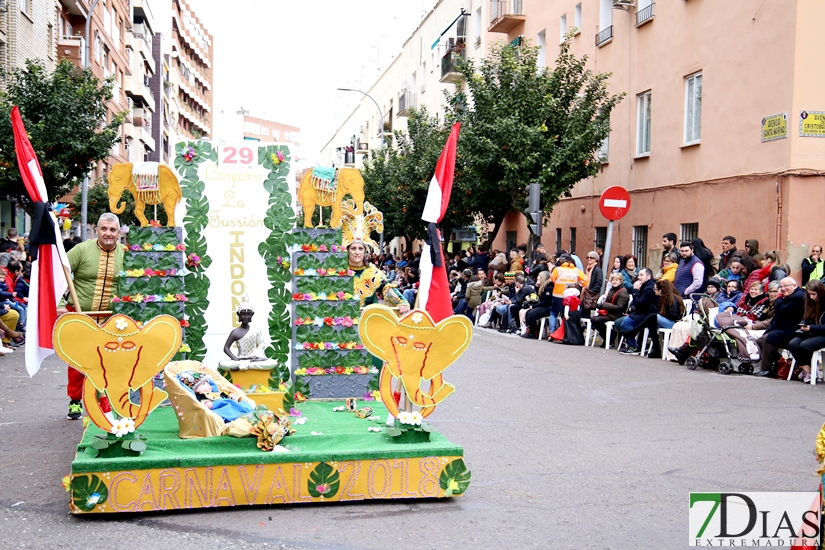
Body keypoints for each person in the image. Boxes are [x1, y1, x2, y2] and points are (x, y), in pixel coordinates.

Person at [65, 213, 125, 420]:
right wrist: (58, 305)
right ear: (97, 230)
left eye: (112, 230)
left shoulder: (126, 254)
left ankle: (105, 401)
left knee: (109, 362)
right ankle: (74, 401)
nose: (108, 233)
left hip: (112, 318)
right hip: (82, 317)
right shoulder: (81, 250)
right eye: (104, 229)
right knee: (78, 361)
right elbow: (59, 273)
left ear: (119, 233)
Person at [753, 277, 806, 377]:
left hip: (792, 330)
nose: (783, 289)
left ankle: (766, 369)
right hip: (782, 328)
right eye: (781, 287)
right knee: (760, 340)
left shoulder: (798, 297)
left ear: (794, 285)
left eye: (786, 286)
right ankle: (775, 364)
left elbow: (782, 309)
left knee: (769, 338)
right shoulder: (791, 295)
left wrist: (779, 297)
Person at [624, 279, 685, 359]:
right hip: (668, 321)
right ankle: (657, 348)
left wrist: (661, 315)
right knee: (650, 323)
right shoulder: (664, 298)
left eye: (655, 289)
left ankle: (633, 332)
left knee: (653, 316)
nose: (654, 291)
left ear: (661, 290)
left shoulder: (674, 298)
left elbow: (674, 315)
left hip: (674, 323)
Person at [218, 296, 279, 371]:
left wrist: (257, 355)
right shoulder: (235, 332)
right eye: (243, 314)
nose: (246, 317)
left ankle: (242, 367)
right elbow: (226, 348)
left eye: (248, 314)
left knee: (272, 363)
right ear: (238, 314)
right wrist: (235, 359)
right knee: (223, 364)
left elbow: (261, 344)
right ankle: (242, 366)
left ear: (252, 315)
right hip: (240, 359)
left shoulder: (256, 330)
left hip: (255, 360)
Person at [788, 280, 825, 383]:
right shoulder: (810, 302)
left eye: (814, 294)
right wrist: (803, 323)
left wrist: (811, 328)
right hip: (813, 332)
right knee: (793, 343)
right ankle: (807, 370)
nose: (812, 297)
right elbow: (807, 318)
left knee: (805, 345)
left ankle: (810, 372)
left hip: (822, 333)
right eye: (810, 295)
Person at [619, 268, 659, 355]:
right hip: (641, 313)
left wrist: (635, 290)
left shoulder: (649, 288)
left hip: (649, 315)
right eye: (639, 275)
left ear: (648, 276)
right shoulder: (643, 286)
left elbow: (640, 303)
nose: (639, 277)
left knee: (626, 322)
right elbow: (637, 303)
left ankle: (633, 347)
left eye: (641, 275)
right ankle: (632, 343)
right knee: (619, 322)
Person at [547, 254, 588, 333]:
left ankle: (552, 332)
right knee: (566, 314)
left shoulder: (557, 269)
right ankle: (565, 333)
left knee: (553, 312)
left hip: (557, 295)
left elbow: (552, 278)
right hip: (570, 297)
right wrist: (578, 284)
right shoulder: (576, 270)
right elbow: (586, 281)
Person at [592, 273, 629, 348]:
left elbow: (620, 307)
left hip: (617, 314)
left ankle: (610, 336)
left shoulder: (623, 292)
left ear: (620, 281)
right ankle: (608, 337)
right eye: (613, 280)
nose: (614, 282)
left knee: (596, 320)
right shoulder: (612, 289)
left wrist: (604, 306)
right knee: (593, 319)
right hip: (610, 313)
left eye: (617, 280)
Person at [521, 271, 553, 339]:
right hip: (544, 306)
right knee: (528, 312)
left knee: (532, 314)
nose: (537, 281)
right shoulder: (542, 287)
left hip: (548, 307)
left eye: (539, 279)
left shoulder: (549, 288)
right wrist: (537, 287)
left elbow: (546, 301)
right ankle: (529, 330)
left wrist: (534, 306)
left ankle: (533, 333)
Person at [581, 251, 604, 317]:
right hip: (586, 292)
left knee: (585, 310)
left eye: (591, 257)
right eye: (587, 257)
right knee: (584, 310)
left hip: (592, 294)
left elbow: (599, 282)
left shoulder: (597, 269)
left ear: (596, 259)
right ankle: (585, 324)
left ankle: (588, 325)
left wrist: (591, 291)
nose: (589, 259)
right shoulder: (587, 268)